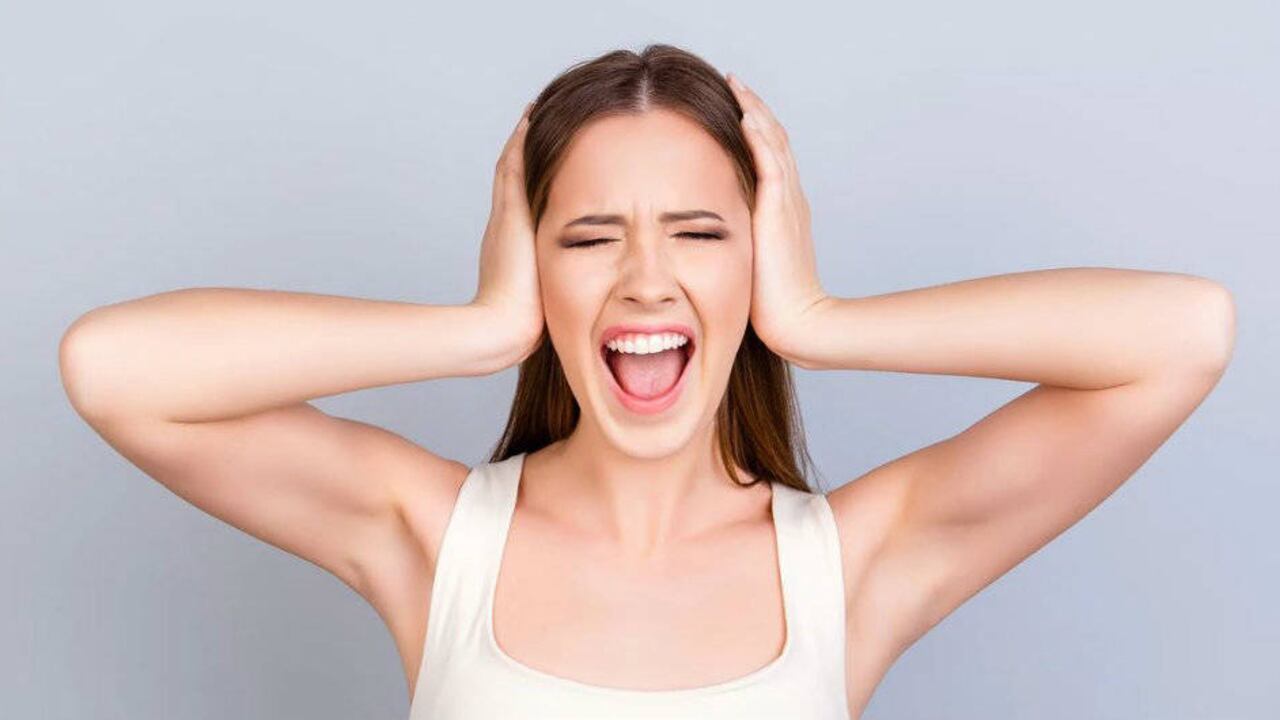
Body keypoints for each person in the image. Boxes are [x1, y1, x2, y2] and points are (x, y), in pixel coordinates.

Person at [57, 44, 1235, 720]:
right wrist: (480, 330)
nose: (645, 281)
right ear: (532, 266)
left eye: (699, 234)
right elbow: (112, 369)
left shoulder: (851, 564)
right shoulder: (433, 538)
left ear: (760, 259)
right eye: (587, 239)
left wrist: (819, 322)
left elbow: (1182, 333)